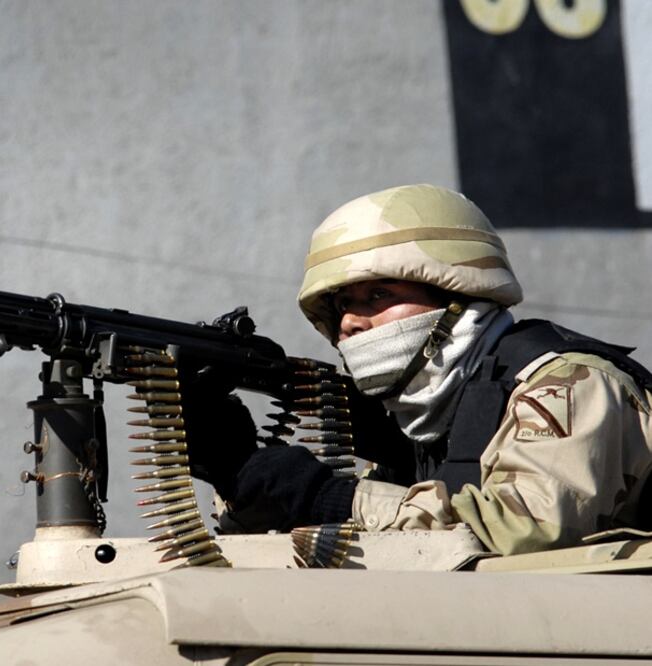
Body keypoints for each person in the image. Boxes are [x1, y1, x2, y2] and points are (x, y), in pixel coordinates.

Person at [186, 184, 652, 555]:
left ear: (457, 294)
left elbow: (528, 529)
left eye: (379, 296)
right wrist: (239, 475)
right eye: (344, 304)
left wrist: (329, 499)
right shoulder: (424, 415)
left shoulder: (570, 383)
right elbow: (379, 548)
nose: (351, 320)